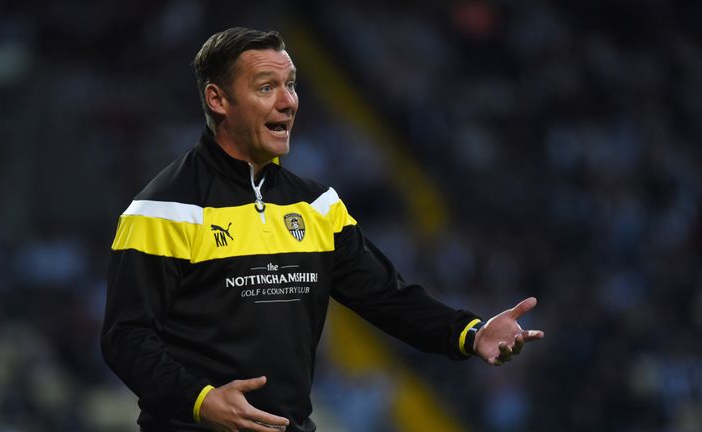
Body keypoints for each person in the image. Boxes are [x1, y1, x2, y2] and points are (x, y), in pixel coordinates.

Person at [101, 27, 544, 432]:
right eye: (266, 87)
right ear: (218, 100)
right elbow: (126, 338)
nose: (288, 101)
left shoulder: (316, 205)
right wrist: (201, 401)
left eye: (291, 84)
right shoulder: (161, 211)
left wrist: (470, 333)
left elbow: (386, 297)